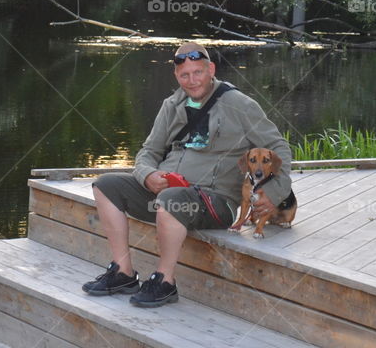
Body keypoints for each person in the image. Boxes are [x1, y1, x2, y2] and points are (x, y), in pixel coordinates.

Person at [81, 42, 293, 307]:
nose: (192, 81)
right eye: (185, 75)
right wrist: (147, 175)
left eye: (198, 73)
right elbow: (148, 152)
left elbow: (279, 148)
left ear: (211, 69)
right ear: (176, 76)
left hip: (216, 202)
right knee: (106, 185)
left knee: (171, 198)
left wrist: (274, 193)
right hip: (166, 197)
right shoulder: (172, 105)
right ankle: (123, 273)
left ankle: (165, 281)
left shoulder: (240, 105)